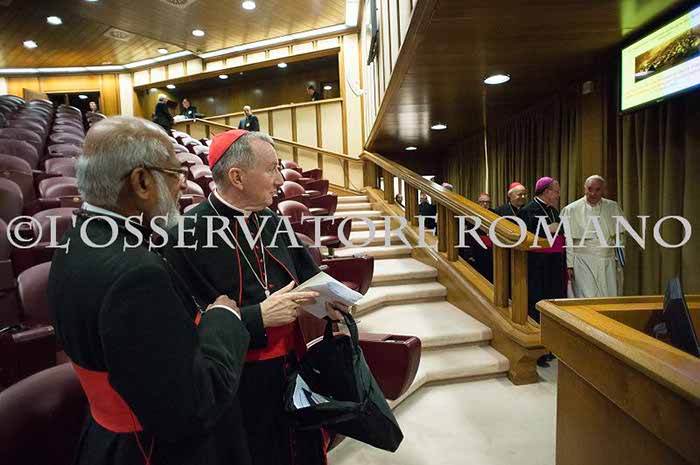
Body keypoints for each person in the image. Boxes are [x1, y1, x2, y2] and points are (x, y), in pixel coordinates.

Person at [48, 117, 251, 465]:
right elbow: (191, 408)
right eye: (175, 174)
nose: (183, 184)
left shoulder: (76, 238)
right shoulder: (137, 276)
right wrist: (223, 319)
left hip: (106, 441)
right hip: (151, 450)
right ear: (142, 182)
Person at [163, 129, 343, 465]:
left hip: (292, 367)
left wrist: (330, 303)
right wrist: (257, 317)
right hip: (236, 382)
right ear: (237, 177)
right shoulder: (185, 236)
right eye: (271, 169)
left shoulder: (272, 221)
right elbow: (185, 327)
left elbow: (308, 278)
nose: (280, 179)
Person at [518, 176, 565, 367]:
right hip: (537, 267)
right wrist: (547, 229)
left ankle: (551, 346)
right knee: (537, 305)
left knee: (552, 305)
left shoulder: (553, 210)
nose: (558, 195)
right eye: (556, 191)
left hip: (554, 265)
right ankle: (537, 349)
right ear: (546, 192)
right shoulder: (528, 210)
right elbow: (523, 237)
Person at [560, 175, 626, 297]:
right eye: (590, 189)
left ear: (603, 190)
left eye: (597, 190)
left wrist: (619, 260)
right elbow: (568, 241)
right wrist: (569, 265)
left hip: (607, 261)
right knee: (585, 296)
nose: (593, 193)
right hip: (582, 261)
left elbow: (619, 238)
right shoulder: (571, 209)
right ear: (584, 188)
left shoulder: (613, 207)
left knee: (608, 296)